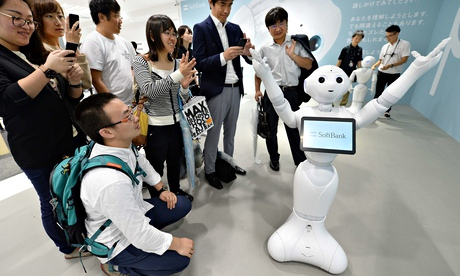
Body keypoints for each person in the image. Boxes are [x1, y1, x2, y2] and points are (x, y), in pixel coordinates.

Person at [0, 0, 86, 259]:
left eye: (29, 20)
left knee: (74, 194)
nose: (26, 26)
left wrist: (73, 81)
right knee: (53, 202)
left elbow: (70, 100)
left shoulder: (31, 52)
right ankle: (67, 248)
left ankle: (83, 235)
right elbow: (6, 102)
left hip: (68, 139)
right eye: (17, 18)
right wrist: (48, 69)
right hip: (38, 150)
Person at [75, 93, 193, 276]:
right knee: (180, 260)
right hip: (116, 239)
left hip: (132, 213)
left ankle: (147, 245)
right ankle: (117, 267)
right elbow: (138, 234)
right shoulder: (110, 182)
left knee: (182, 204)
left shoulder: (118, 144)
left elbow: (141, 162)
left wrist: (160, 187)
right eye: (127, 116)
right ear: (106, 132)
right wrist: (176, 243)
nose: (136, 117)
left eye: (129, 110)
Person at [133, 14, 196, 202]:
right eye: (166, 33)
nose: (172, 38)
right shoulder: (142, 62)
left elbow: (181, 97)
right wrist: (178, 76)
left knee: (175, 162)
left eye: (174, 33)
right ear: (152, 36)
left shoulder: (177, 63)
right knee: (156, 167)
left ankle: (175, 190)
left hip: (177, 124)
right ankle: (158, 197)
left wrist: (184, 87)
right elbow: (149, 90)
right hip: (155, 127)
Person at [193, 0, 253, 189]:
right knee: (213, 133)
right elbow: (200, 63)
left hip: (236, 87)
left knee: (231, 132)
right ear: (211, 3)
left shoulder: (235, 28)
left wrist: (247, 52)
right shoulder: (201, 28)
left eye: (230, 5)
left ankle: (229, 163)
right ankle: (210, 170)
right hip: (216, 90)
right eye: (222, 4)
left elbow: (246, 59)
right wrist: (223, 57)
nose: (226, 10)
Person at [254, 7, 309, 171]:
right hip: (271, 93)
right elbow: (258, 72)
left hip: (291, 93)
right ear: (268, 29)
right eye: (273, 26)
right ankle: (274, 158)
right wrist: (257, 90)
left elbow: (308, 64)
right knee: (270, 129)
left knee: (293, 128)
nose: (278, 29)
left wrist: (293, 55)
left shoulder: (297, 44)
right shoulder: (264, 49)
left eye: (281, 23)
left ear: (286, 23)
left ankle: (300, 162)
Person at [80, 0, 136, 106]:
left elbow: (133, 68)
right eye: (116, 16)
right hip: (111, 106)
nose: (120, 20)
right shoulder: (93, 42)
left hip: (131, 104)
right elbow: (96, 80)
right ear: (101, 17)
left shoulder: (123, 41)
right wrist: (116, 105)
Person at [32, 0, 92, 91]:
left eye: (60, 16)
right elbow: (83, 83)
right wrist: (71, 44)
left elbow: (86, 82)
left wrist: (73, 46)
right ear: (37, 20)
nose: (58, 22)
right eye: (49, 16)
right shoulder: (42, 50)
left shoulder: (59, 48)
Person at [371, 25, 410, 118]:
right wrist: (375, 65)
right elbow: (381, 60)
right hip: (381, 72)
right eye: (386, 36)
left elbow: (404, 59)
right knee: (378, 92)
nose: (388, 38)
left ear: (397, 33)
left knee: (390, 94)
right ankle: (373, 110)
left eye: (390, 36)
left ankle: (386, 111)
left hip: (394, 73)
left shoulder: (405, 44)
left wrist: (391, 65)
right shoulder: (385, 46)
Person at [336, 30, 364, 106]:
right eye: (356, 38)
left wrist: (359, 71)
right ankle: (331, 102)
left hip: (351, 72)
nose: (358, 40)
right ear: (352, 38)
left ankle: (343, 104)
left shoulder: (360, 49)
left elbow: (359, 61)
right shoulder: (345, 49)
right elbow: (340, 60)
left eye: (360, 39)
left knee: (347, 88)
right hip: (342, 70)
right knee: (337, 87)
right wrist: (335, 70)